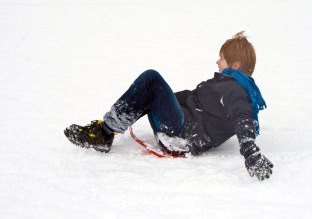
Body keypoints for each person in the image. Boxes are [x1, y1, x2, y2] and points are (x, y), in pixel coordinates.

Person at [64, 31, 273, 181]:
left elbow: (243, 118)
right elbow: (190, 97)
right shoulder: (224, 85)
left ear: (235, 66)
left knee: (151, 78)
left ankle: (104, 133)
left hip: (183, 136)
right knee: (151, 87)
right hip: (182, 127)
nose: (217, 62)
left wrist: (250, 151)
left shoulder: (236, 90)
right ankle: (106, 130)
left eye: (222, 59)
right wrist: (158, 100)